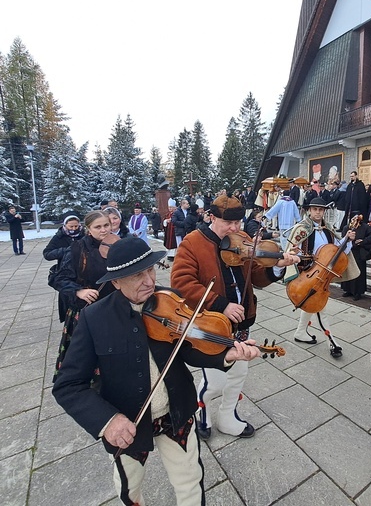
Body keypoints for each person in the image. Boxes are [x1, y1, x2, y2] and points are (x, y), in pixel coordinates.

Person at [53, 237, 261, 506]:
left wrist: (226, 354)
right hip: (129, 422)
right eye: (138, 275)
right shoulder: (94, 318)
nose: (150, 281)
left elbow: (188, 349)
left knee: (190, 481)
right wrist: (108, 421)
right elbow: (68, 385)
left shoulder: (169, 300)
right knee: (130, 488)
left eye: (151, 270)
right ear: (116, 281)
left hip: (176, 411)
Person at [170, 193, 300, 439]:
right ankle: (202, 413)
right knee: (215, 379)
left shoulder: (242, 239)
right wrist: (221, 305)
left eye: (238, 223)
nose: (234, 228)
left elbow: (257, 276)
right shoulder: (192, 242)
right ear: (212, 217)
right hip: (211, 323)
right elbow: (181, 283)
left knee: (239, 371)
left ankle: (228, 416)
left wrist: (275, 267)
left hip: (241, 323)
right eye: (228, 223)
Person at [286, 197, 356, 357]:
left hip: (322, 275)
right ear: (309, 210)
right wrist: (299, 255)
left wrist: (347, 239)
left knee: (311, 304)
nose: (318, 212)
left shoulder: (328, 228)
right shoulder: (301, 228)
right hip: (307, 274)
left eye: (321, 209)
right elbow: (291, 250)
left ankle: (300, 332)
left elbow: (338, 250)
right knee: (319, 308)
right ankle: (332, 343)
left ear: (324, 211)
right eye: (315, 209)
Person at [52, 210, 117, 380]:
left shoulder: (117, 245)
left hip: (114, 307)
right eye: (98, 227)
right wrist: (78, 291)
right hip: (87, 310)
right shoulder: (77, 248)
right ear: (88, 229)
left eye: (106, 225)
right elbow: (58, 278)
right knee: (86, 357)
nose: (103, 230)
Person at [43, 214, 85, 322]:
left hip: (81, 272)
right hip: (66, 271)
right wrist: (66, 251)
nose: (74, 229)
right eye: (71, 226)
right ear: (65, 225)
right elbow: (47, 254)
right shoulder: (59, 237)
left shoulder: (83, 235)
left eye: (76, 226)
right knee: (68, 299)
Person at [340, 214, 371, 300]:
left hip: (359, 253)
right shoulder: (347, 227)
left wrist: (363, 242)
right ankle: (348, 289)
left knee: (358, 272)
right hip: (349, 252)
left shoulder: (365, 227)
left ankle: (357, 292)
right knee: (348, 271)